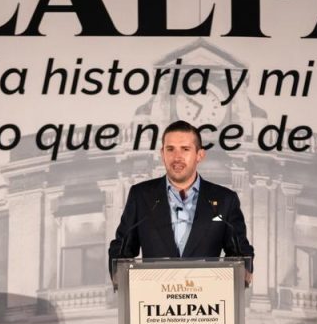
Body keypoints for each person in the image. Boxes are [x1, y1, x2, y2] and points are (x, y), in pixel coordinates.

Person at [108, 120, 254, 286]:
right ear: (162, 153)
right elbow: (122, 247)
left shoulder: (225, 200)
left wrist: (244, 268)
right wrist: (118, 271)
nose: (177, 157)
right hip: (154, 296)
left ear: (200, 155)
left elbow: (240, 251)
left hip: (206, 296)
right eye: (170, 149)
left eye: (185, 149)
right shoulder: (141, 195)